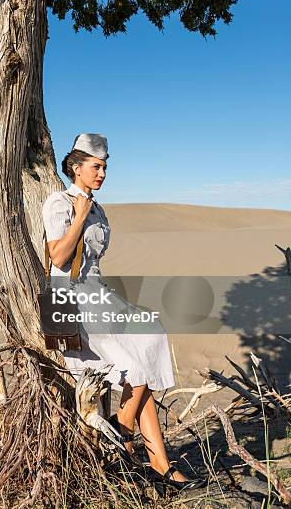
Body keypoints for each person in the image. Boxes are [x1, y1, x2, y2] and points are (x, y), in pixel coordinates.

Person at [42, 133, 207, 491]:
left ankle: (125, 430)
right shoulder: (59, 203)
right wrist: (79, 216)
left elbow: (96, 263)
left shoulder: (99, 209)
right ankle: (151, 457)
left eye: (105, 167)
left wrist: (89, 211)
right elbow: (57, 257)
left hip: (99, 292)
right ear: (76, 167)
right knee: (137, 364)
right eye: (95, 167)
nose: (101, 173)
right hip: (71, 298)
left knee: (152, 337)